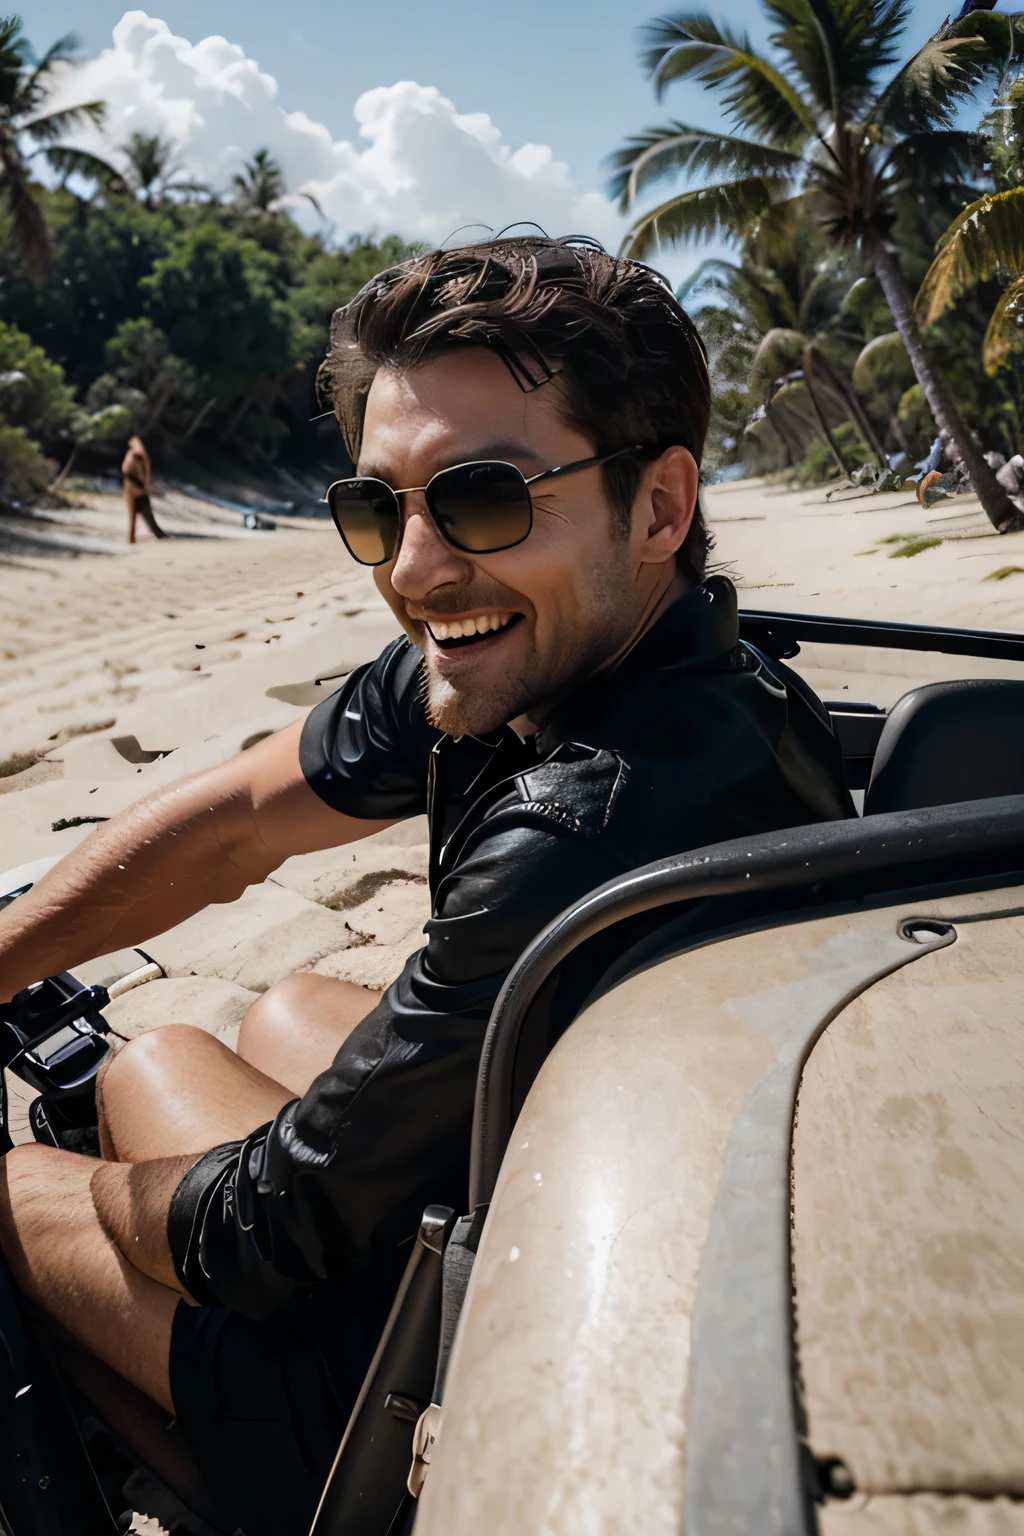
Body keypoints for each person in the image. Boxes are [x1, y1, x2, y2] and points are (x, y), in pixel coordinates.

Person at [0, 237, 854, 1536]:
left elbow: (262, 1235)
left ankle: (188, 1465)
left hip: (501, 1365)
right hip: (574, 1178)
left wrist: (87, 1204)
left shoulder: (590, 816)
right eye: (375, 507)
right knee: (274, 1007)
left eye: (483, 500)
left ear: (661, 505)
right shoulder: (595, 656)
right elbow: (235, 817)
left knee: (41, 1165)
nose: (410, 568)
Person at [122, 434, 166, 542]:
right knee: (133, 514)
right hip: (131, 486)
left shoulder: (139, 455)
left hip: (138, 487)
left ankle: (155, 533)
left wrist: (145, 485)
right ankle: (132, 537)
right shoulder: (134, 454)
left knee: (144, 512)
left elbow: (146, 471)